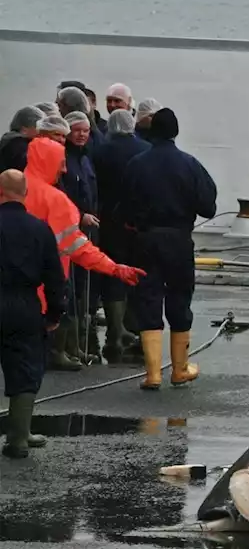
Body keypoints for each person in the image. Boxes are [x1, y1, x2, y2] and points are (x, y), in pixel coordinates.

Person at [21, 138, 145, 373]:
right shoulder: (56, 201)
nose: (65, 169)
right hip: (45, 290)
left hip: (10, 288)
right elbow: (79, 248)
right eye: (61, 163)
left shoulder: (10, 189)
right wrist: (115, 268)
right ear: (48, 161)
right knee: (28, 371)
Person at [119, 108, 217, 390]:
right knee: (179, 297)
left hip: (145, 240)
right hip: (178, 240)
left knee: (148, 298)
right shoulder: (190, 164)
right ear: (175, 132)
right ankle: (179, 369)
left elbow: (123, 207)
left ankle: (152, 374)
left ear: (151, 132)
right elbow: (208, 207)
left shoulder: (136, 164)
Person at [0, 170, 67, 459]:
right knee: (25, 368)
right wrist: (54, 313)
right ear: (25, 194)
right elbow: (55, 277)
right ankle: (18, 438)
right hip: (23, 304)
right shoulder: (39, 229)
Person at [91, 109, 150, 362]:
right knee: (136, 271)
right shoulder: (144, 149)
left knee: (113, 273)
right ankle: (133, 325)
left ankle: (115, 330)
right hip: (135, 223)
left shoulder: (99, 151)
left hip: (106, 221)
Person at [61, 112, 103, 365]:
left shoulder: (86, 158)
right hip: (71, 229)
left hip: (88, 231)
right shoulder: (64, 159)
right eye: (77, 130)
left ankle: (76, 346)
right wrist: (80, 216)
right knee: (71, 287)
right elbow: (62, 197)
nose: (82, 135)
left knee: (81, 290)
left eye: (86, 131)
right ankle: (65, 347)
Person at [1, 106, 46, 173]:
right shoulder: (18, 146)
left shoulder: (10, 140)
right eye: (38, 128)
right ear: (24, 129)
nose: (41, 132)